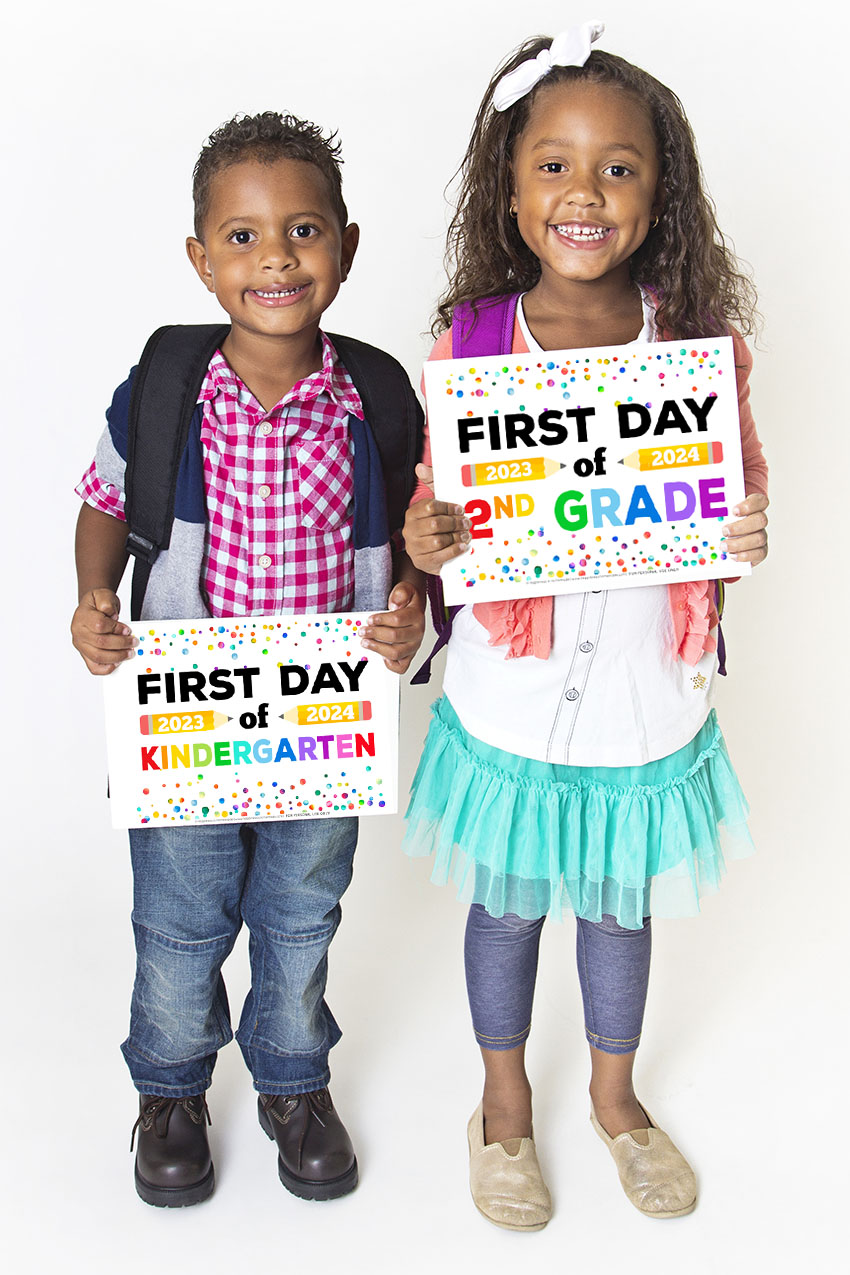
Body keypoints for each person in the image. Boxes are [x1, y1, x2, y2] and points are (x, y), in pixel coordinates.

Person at [402, 25, 768, 1231]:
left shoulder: (702, 352)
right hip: (510, 696)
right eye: (552, 164)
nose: (583, 193)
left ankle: (615, 1100)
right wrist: (428, 542)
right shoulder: (467, 344)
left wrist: (743, 531)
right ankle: (502, 1102)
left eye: (618, 166)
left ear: (658, 193)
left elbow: (731, 500)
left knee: (619, 908)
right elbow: (434, 505)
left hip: (639, 705)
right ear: (508, 191)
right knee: (505, 906)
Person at [71, 111, 425, 1208]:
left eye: (304, 230)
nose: (275, 257)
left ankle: (290, 1080)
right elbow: (102, 500)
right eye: (241, 236)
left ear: (347, 248)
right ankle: (171, 1089)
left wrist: (411, 608)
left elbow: (424, 537)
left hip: (323, 722)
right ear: (200, 259)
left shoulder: (376, 399)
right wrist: (90, 595)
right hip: (188, 721)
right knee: (180, 918)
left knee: (301, 908)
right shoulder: (169, 384)